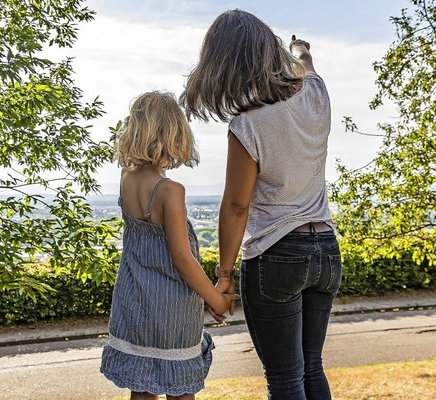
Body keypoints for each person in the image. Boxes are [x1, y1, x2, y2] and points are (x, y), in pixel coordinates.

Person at [180, 9, 342, 400]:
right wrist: (299, 49)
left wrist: (223, 274)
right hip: (326, 250)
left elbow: (237, 206)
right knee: (311, 367)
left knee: (286, 378)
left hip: (278, 253)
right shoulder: (317, 94)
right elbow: (307, 65)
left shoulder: (248, 123)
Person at [100, 91, 239, 400]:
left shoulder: (126, 179)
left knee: (142, 387)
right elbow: (183, 259)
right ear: (175, 135)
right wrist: (215, 299)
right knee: (180, 389)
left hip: (134, 303)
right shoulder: (169, 190)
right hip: (172, 311)